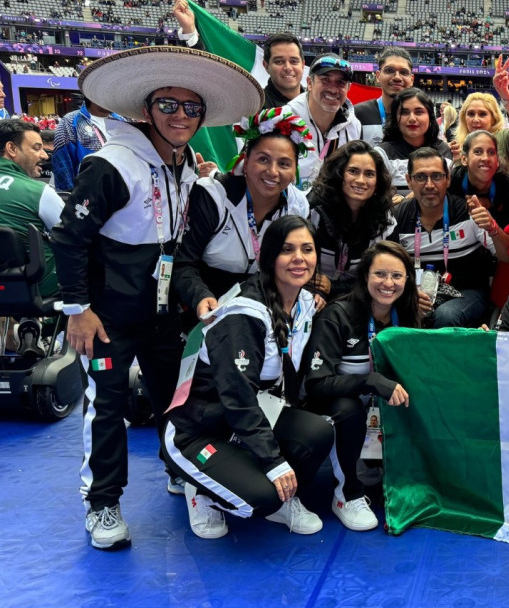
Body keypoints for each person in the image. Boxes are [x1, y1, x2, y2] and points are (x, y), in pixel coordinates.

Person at [50, 46, 263, 550]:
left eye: (192, 108)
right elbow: (68, 237)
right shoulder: (110, 164)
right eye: (168, 105)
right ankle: (102, 502)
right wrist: (77, 311)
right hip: (108, 319)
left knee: (176, 400)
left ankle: (178, 467)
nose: (181, 116)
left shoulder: (183, 164)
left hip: (164, 314)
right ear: (147, 110)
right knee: (106, 406)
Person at [163, 216, 334, 539]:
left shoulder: (304, 303)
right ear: (268, 257)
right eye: (287, 249)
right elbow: (238, 398)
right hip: (199, 429)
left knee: (318, 432)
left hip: (249, 417)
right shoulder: (243, 314)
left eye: (307, 249)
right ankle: (201, 492)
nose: (299, 258)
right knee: (261, 499)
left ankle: (281, 496)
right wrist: (273, 462)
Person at [301, 241, 415, 530]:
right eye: (380, 274)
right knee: (347, 408)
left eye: (397, 276)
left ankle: (406, 475)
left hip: (381, 412)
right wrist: (369, 381)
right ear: (365, 276)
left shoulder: (409, 315)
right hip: (340, 408)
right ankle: (346, 493)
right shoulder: (337, 315)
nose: (388, 283)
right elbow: (316, 385)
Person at [174, 107, 313, 325]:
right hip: (204, 308)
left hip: (261, 308)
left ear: (295, 169)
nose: (273, 172)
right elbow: (183, 262)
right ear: (245, 162)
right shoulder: (213, 195)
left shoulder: (297, 206)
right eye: (263, 160)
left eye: (284, 164)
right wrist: (200, 296)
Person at [386, 147, 509, 328]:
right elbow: (384, 267)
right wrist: (408, 294)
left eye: (437, 176)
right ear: (409, 181)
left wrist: (492, 228)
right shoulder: (396, 217)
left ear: (448, 180)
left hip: (466, 293)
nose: (429, 185)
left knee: (445, 316)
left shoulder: (468, 212)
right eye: (420, 177)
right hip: (416, 294)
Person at [0, 119, 64, 357]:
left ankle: (10, 335)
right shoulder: (40, 192)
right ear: (12, 149)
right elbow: (75, 239)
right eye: (36, 148)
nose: (45, 156)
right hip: (36, 287)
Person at [173, 0, 305, 110]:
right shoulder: (252, 108)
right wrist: (190, 34)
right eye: (279, 61)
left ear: (303, 65)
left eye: (294, 61)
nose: (288, 68)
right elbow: (210, 86)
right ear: (265, 66)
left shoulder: (318, 104)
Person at [307, 140, 394, 300]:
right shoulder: (312, 211)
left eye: (369, 174)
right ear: (339, 174)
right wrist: (313, 292)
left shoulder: (384, 219)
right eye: (353, 171)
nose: (361, 180)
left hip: (358, 298)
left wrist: (334, 288)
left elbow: (386, 276)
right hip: (310, 296)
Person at [283, 54, 362, 193]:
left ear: (348, 88)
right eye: (325, 80)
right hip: (289, 210)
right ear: (309, 83)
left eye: (341, 82)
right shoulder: (284, 119)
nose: (333, 89)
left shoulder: (353, 126)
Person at [379, 88, 452, 196]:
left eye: (419, 112)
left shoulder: (445, 150)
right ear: (395, 118)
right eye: (404, 112)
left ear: (430, 117)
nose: (412, 118)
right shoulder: (382, 154)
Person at [447, 129, 509, 231]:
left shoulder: (508, 187)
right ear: (464, 159)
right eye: (478, 152)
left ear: (497, 161)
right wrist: (463, 205)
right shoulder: (453, 181)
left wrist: (491, 210)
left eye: (491, 152)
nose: (486, 158)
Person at [52, 100, 123, 192]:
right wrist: (70, 198)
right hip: (87, 198)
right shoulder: (70, 121)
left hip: (123, 195)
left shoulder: (123, 121)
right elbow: (62, 164)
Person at [356, 47, 415, 148]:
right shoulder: (358, 114)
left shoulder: (419, 118)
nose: (397, 77)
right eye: (389, 70)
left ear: (412, 79)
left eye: (404, 72)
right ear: (378, 76)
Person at [448, 92, 506, 159]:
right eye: (471, 114)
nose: (475, 120)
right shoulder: (457, 148)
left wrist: (506, 96)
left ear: (493, 118)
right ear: (464, 118)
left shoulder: (504, 140)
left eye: (482, 114)